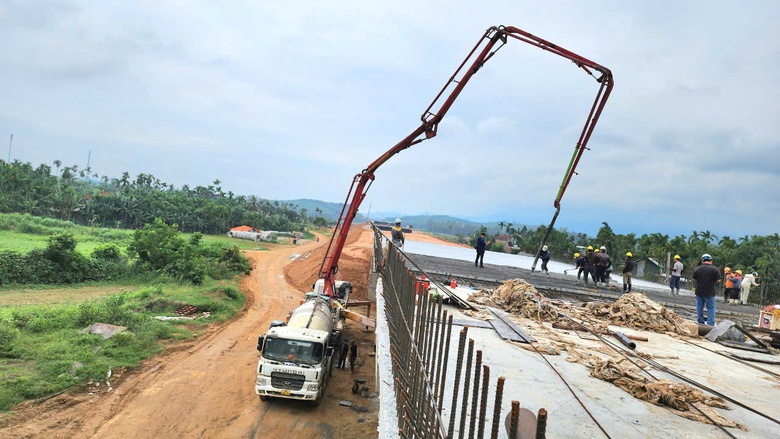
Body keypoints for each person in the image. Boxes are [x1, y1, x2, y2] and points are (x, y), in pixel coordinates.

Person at [692, 253, 721, 326]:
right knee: (711, 308)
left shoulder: (698, 269)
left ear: (702, 261)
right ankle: (710, 324)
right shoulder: (715, 269)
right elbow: (719, 280)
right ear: (711, 261)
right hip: (710, 292)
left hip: (699, 291)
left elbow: (694, 278)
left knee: (699, 307)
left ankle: (700, 322)